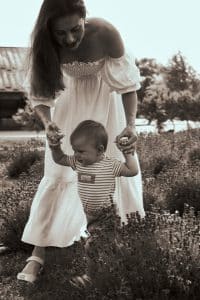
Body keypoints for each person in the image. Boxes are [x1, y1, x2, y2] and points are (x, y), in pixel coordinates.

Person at [17, 0, 145, 283]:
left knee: (106, 172)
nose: (70, 39)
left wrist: (131, 125)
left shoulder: (106, 33)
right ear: (49, 31)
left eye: (75, 29)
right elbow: (40, 96)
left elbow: (127, 86)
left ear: (85, 19)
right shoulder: (44, 46)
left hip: (107, 109)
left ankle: (113, 250)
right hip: (69, 108)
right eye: (60, 34)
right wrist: (48, 123)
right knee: (59, 171)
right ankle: (38, 253)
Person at [48, 119, 139, 286]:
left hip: (107, 215)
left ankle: (91, 278)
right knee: (109, 246)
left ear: (100, 150)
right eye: (75, 150)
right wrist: (55, 148)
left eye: (81, 151)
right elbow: (60, 159)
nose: (76, 155)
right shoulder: (78, 163)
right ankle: (124, 266)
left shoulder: (109, 165)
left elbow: (132, 171)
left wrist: (127, 153)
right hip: (91, 216)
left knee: (92, 246)